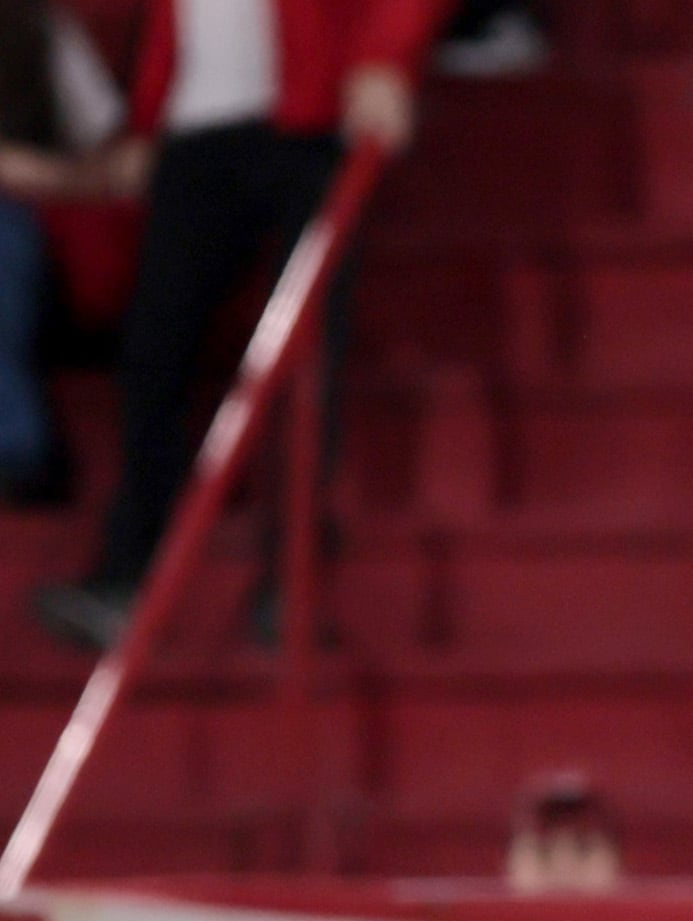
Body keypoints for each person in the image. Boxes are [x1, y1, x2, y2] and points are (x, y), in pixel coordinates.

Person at [30, 0, 434, 650]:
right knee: (154, 352)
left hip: (308, 119)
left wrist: (384, 59)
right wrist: (149, 121)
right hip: (196, 133)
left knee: (305, 359)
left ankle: (291, 579)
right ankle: (131, 575)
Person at [0, 0, 123, 505]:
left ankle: (20, 449)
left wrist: (24, 171)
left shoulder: (39, 32)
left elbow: (114, 173)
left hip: (38, 251)